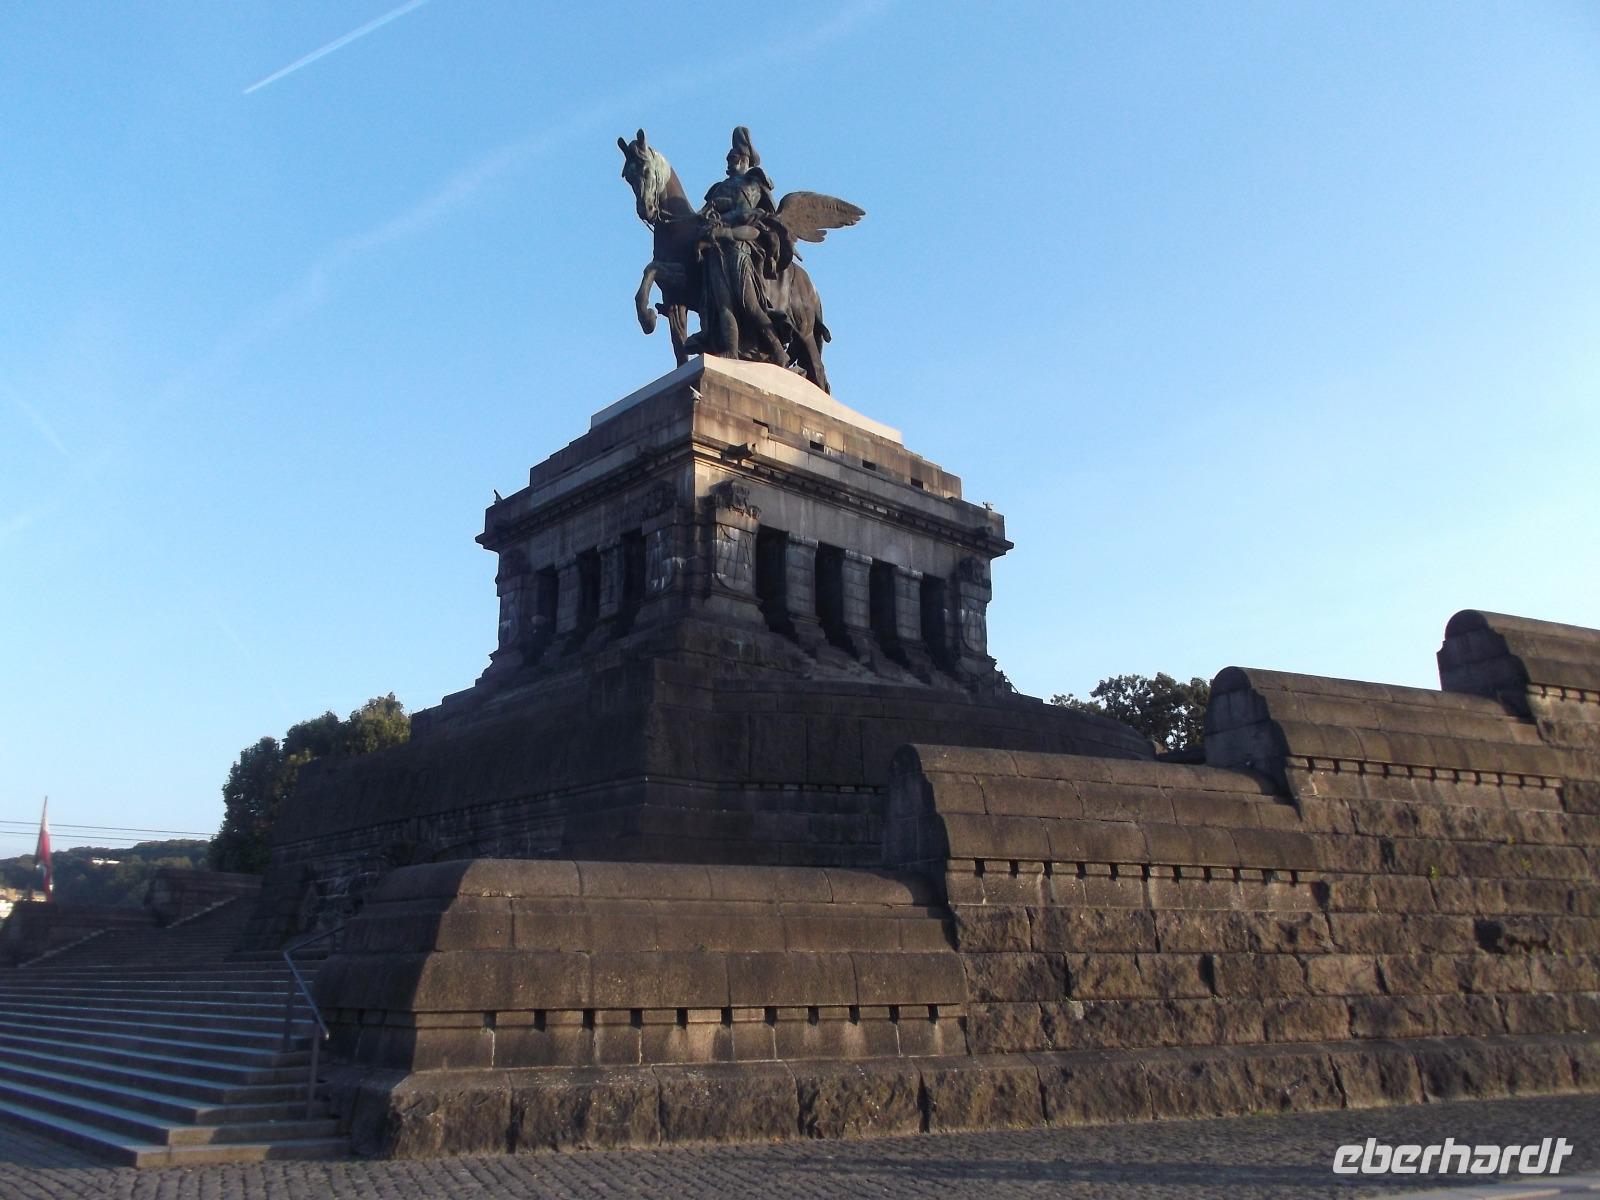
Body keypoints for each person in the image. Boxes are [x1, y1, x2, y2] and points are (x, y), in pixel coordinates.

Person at [696, 127, 793, 367]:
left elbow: (744, 212)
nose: (728, 163)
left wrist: (722, 217)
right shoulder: (717, 188)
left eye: (733, 158)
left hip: (740, 250)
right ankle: (730, 349)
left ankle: (779, 351)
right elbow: (703, 215)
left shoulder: (752, 183)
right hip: (716, 252)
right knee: (723, 304)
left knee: (750, 305)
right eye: (727, 158)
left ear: (745, 158)